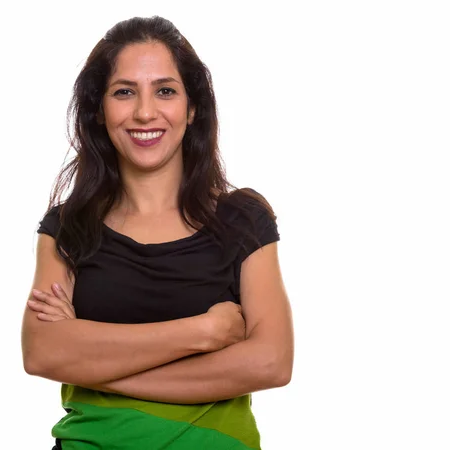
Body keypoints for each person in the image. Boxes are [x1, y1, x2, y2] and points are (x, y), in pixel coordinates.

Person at [21, 15, 294, 450]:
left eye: (165, 91)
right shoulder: (68, 227)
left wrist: (96, 363)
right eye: (124, 92)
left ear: (192, 107)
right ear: (99, 109)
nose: (145, 112)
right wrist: (201, 333)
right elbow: (43, 354)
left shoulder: (243, 220)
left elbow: (271, 363)